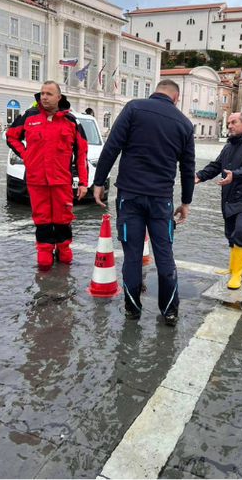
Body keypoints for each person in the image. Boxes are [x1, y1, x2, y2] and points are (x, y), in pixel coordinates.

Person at [92, 79, 195, 326]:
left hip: (130, 197)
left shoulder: (134, 108)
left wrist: (98, 182)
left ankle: (132, 309)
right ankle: (169, 311)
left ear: (155, 92)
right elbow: (188, 168)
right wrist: (186, 202)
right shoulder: (184, 123)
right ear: (176, 98)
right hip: (161, 200)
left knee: (132, 256)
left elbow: (112, 147)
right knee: (164, 255)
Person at [6, 81, 89, 268]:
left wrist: (83, 182)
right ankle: (44, 254)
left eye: (49, 94)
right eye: (42, 93)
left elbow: (82, 153)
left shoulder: (71, 122)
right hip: (36, 182)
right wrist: (26, 155)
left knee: (63, 219)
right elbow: (11, 135)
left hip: (62, 182)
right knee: (42, 220)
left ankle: (64, 252)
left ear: (59, 97)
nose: (44, 97)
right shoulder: (29, 117)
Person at [195, 112, 242, 289]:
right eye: (228, 123)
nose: (229, 126)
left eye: (233, 122)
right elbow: (216, 166)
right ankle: (231, 268)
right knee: (230, 234)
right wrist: (198, 176)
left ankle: (237, 274)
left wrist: (234, 174)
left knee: (241, 231)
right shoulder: (229, 146)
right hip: (228, 196)